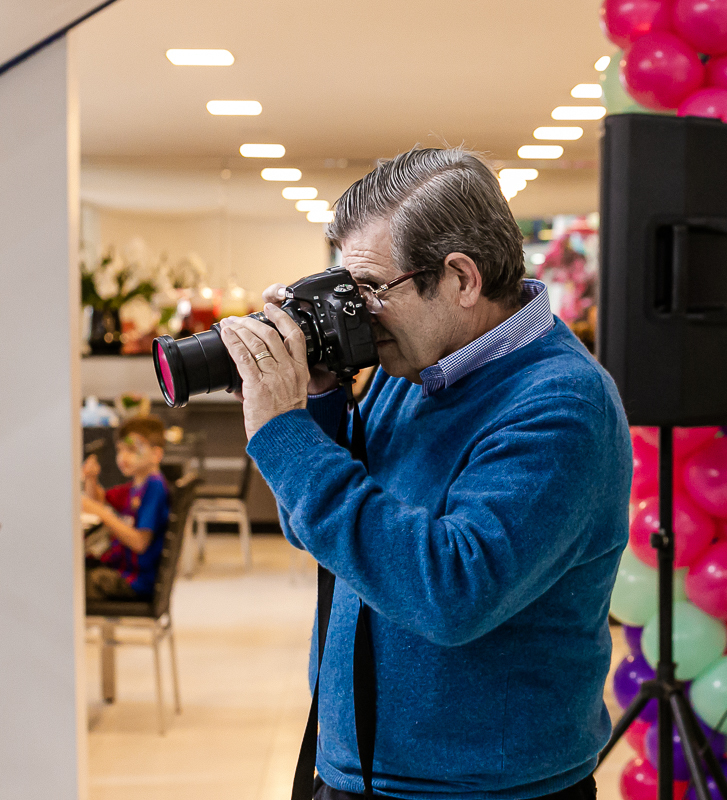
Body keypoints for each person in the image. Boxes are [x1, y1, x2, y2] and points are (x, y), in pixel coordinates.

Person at [217, 146, 632, 800]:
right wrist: (321, 400)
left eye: (371, 292)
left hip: (487, 789)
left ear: (461, 279)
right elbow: (323, 533)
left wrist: (285, 435)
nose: (360, 316)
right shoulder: (411, 368)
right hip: (360, 766)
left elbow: (449, 592)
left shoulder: (563, 405)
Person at [80, 416, 171, 600]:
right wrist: (91, 478)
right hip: (125, 571)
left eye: (132, 450)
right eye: (120, 450)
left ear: (156, 454)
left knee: (74, 581)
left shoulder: (154, 487)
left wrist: (102, 514)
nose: (123, 457)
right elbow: (99, 499)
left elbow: (140, 542)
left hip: (136, 581)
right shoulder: (136, 486)